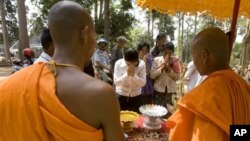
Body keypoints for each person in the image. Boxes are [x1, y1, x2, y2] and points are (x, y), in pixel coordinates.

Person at [0, 1, 125, 141]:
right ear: (83, 34)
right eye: (94, 36)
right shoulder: (102, 94)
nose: (95, 43)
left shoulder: (8, 87)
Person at [166, 27, 250, 141]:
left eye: (194, 56)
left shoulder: (207, 95)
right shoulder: (244, 85)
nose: (193, 60)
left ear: (204, 56)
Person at [150, 42, 182, 117]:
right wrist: (161, 69)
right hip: (158, 91)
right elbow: (152, 75)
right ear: (162, 51)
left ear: (172, 52)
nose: (167, 54)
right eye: (165, 52)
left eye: (170, 52)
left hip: (171, 92)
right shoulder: (156, 60)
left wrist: (169, 69)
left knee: (170, 113)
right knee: (158, 112)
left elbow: (177, 77)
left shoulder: (176, 61)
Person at [114, 48, 146, 113]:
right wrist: (126, 75)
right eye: (128, 64)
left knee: (136, 119)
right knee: (121, 118)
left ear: (137, 60)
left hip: (136, 96)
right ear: (124, 59)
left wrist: (134, 75)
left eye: (134, 63)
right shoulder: (118, 63)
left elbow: (143, 83)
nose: (131, 66)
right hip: (121, 95)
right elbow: (116, 82)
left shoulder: (141, 64)